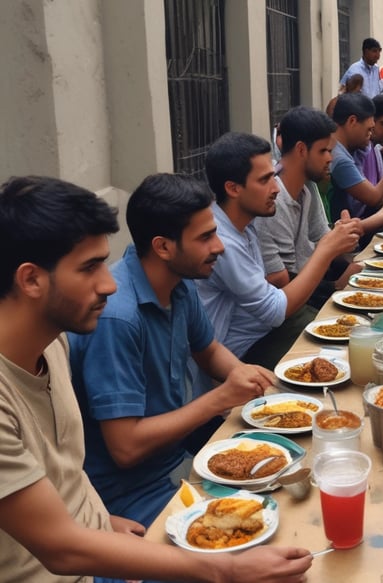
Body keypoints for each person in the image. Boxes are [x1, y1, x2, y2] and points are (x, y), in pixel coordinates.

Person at [0, 175, 313, 582]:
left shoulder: (52, 344)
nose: (108, 283)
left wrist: (102, 521)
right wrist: (227, 571)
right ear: (31, 280)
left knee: (285, 514)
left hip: (115, 520)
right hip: (86, 553)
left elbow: (66, 476)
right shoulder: (111, 321)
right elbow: (61, 548)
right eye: (90, 267)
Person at [68, 173, 278, 527]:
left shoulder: (180, 281)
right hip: (128, 494)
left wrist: (244, 375)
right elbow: (126, 447)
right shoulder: (117, 318)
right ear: (163, 246)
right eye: (206, 237)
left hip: (176, 460)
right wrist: (220, 398)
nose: (220, 246)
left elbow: (208, 349)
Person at [199, 132, 362, 370]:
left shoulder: (246, 222)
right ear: (233, 188)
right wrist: (326, 251)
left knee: (356, 334)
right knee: (345, 358)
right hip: (243, 353)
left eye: (274, 177)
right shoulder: (223, 241)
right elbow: (275, 310)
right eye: (265, 180)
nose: (276, 188)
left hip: (266, 331)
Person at [255, 106, 363, 311]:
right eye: (324, 151)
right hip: (288, 309)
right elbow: (284, 282)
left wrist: (346, 254)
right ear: (301, 149)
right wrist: (336, 286)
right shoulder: (274, 201)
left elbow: (322, 240)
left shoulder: (308, 187)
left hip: (312, 291)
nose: (330, 158)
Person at [327, 92, 383, 248]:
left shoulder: (351, 149)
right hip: (350, 231)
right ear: (352, 121)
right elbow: (373, 197)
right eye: (368, 130)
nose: (370, 135)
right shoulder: (339, 158)